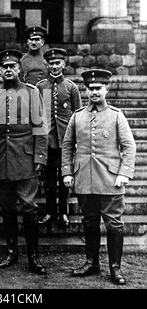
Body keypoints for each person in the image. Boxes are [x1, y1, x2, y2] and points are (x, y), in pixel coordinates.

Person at [61, 69, 136, 286]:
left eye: (98, 88)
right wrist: (67, 171)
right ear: (85, 90)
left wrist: (124, 173)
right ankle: (91, 262)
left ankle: (115, 267)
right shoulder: (77, 116)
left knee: (114, 225)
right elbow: (67, 145)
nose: (94, 92)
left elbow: (129, 146)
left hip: (111, 180)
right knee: (89, 222)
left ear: (107, 89)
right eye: (90, 88)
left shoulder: (116, 115)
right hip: (84, 179)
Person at [0, 49, 48, 275]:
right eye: (4, 67)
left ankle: (34, 257)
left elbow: (41, 127)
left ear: (19, 69)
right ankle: (11, 253)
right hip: (2, 157)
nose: (9, 70)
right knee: (7, 207)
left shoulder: (31, 92)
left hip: (25, 157)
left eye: (13, 66)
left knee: (28, 206)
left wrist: (40, 156)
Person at [36, 48, 82, 227]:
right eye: (51, 64)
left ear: (64, 64)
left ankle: (63, 213)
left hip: (65, 142)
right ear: (46, 65)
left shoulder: (71, 87)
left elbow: (78, 115)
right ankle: (49, 212)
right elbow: (36, 116)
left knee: (65, 180)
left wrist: (76, 141)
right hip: (46, 142)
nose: (54, 66)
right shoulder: (41, 86)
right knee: (48, 181)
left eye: (58, 63)